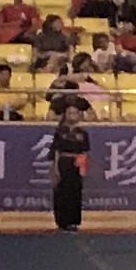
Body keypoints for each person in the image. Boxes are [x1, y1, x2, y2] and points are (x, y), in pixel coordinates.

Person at [48, 96, 90, 232]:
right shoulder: (60, 132)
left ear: (79, 115)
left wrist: (83, 168)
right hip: (63, 163)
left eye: (75, 113)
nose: (72, 116)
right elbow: (55, 151)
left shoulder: (83, 133)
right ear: (65, 115)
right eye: (70, 113)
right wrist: (55, 168)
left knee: (75, 191)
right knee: (62, 191)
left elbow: (84, 152)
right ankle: (61, 221)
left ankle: (73, 221)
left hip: (77, 163)